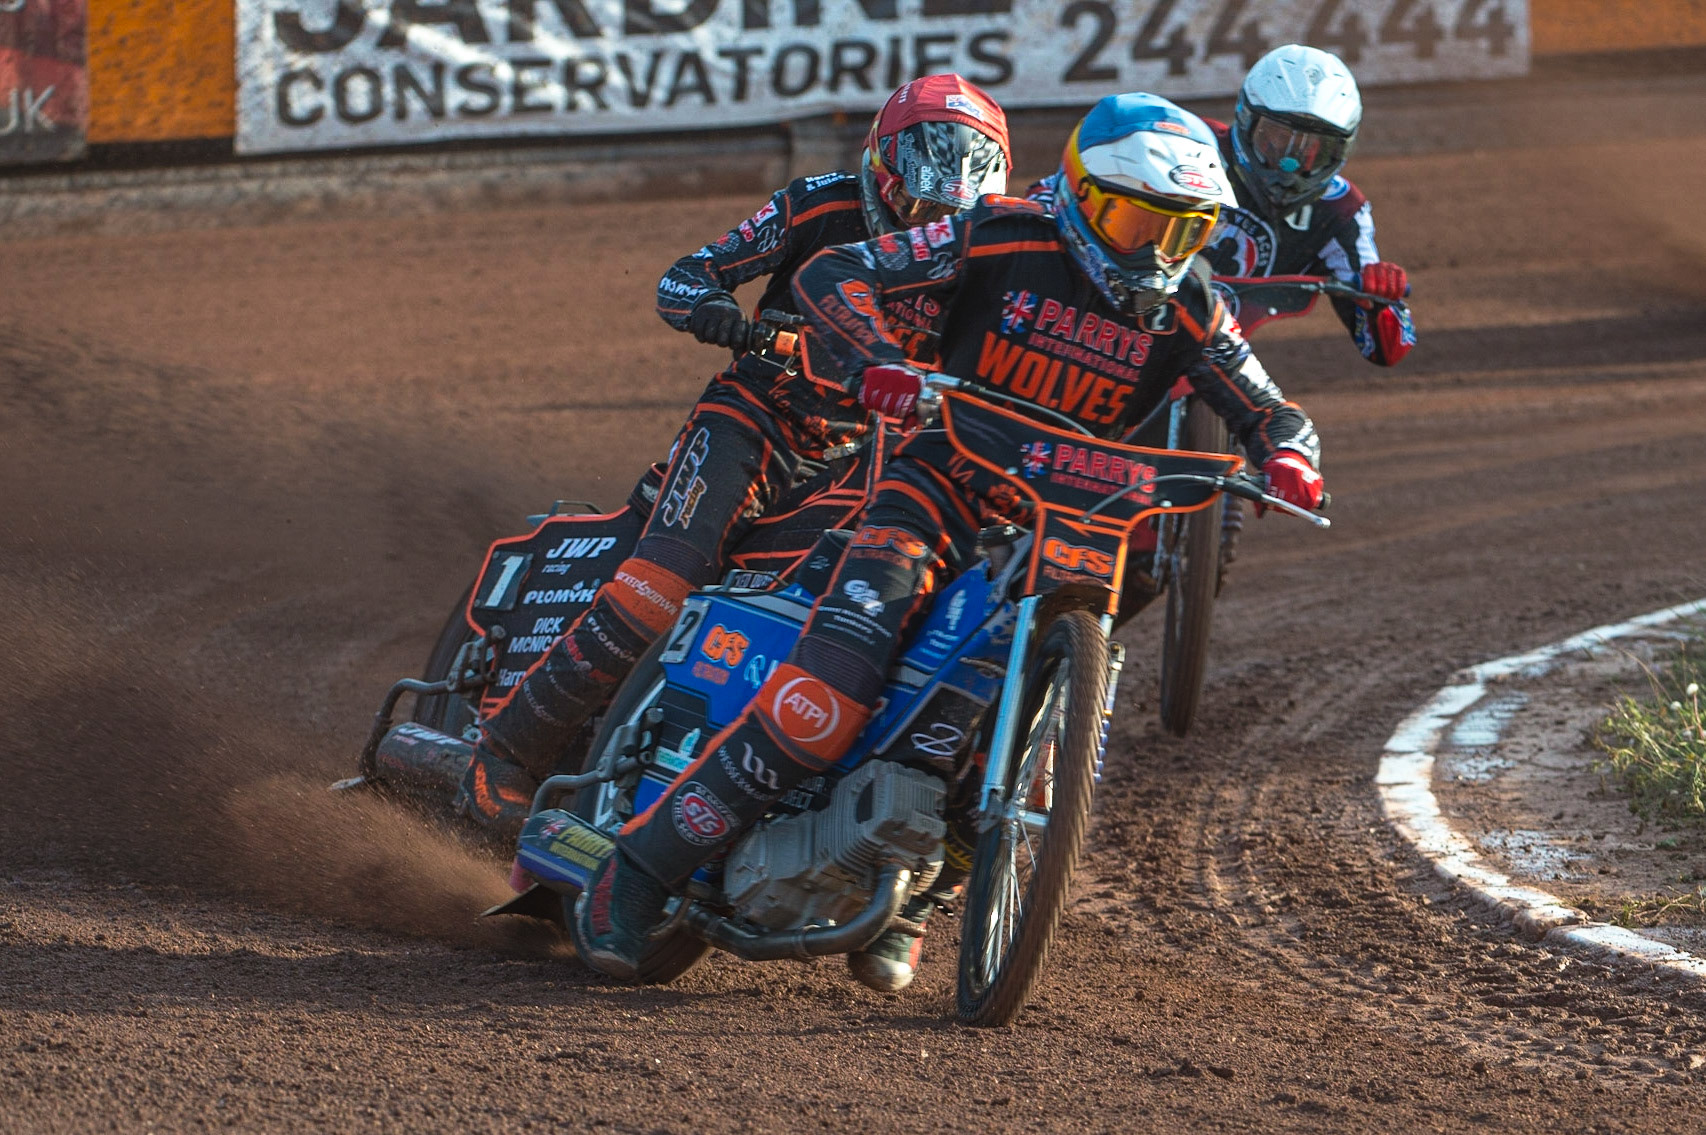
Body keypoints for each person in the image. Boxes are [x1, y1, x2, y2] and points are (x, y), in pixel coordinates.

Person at [572, 93, 1325, 990]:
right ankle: (641, 866)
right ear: (1083, 196)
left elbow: (1271, 405)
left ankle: (918, 902)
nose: (1158, 255)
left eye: (1185, 230)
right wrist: (874, 359)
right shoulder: (1004, 231)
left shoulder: (1193, 304)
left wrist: (1287, 456)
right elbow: (835, 274)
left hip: (1063, 524)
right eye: (1136, 221)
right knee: (832, 693)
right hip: (934, 490)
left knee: (1017, 739)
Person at [453, 75, 1011, 842]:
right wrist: (714, 311)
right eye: (916, 205)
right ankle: (507, 750)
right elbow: (687, 274)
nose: (927, 227)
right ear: (880, 169)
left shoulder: (985, 258)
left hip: (863, 457)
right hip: (757, 416)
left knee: (836, 616)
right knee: (660, 586)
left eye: (948, 214)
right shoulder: (817, 203)